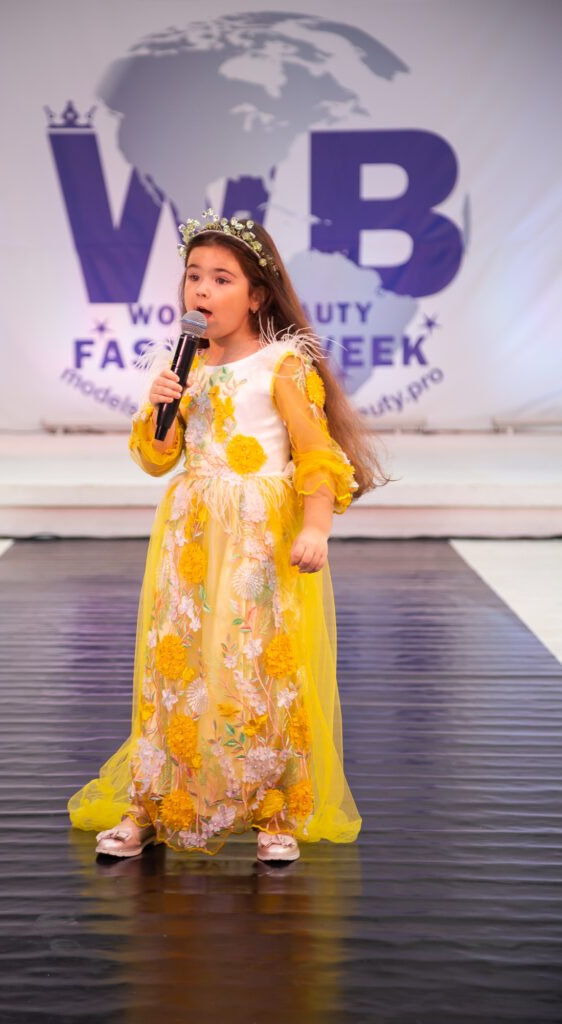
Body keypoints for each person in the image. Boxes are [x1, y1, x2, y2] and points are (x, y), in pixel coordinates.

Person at [67, 210, 389, 862]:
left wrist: (317, 527)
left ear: (257, 294)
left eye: (221, 278)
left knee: (253, 661)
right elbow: (156, 459)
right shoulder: (183, 365)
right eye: (194, 276)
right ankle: (152, 804)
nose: (203, 290)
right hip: (191, 533)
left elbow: (316, 454)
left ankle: (273, 809)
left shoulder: (282, 364)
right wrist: (163, 404)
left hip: (256, 536)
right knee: (177, 660)